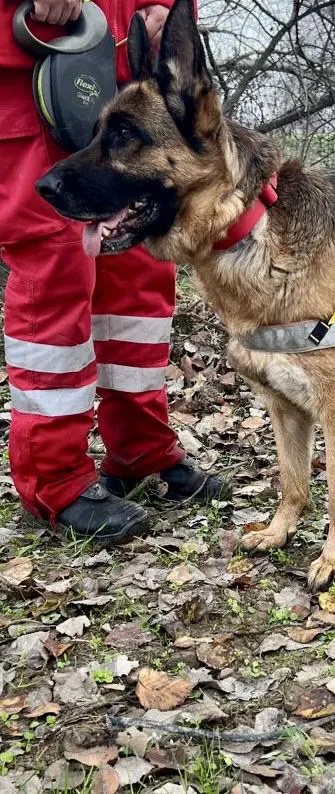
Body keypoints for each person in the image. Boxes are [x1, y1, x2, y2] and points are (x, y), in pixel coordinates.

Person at [0, 0, 227, 545]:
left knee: (139, 281)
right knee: (57, 264)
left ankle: (140, 448)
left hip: (122, 72)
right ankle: (54, 478)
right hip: (35, 67)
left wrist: (164, 7)